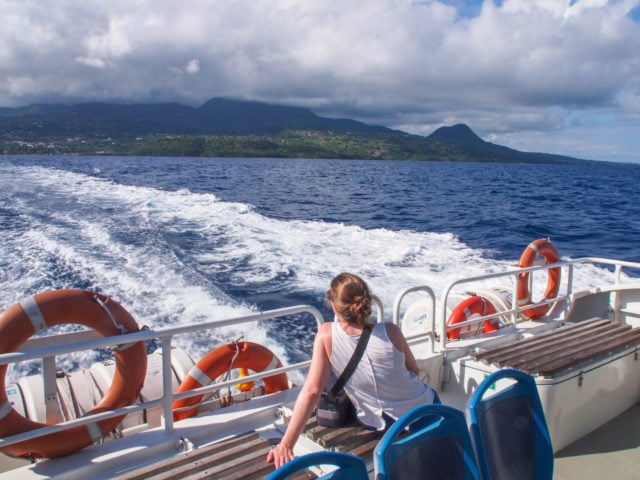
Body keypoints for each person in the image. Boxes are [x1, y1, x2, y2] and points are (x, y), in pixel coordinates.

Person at [267, 272, 439, 470]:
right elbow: (414, 372)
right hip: (428, 409)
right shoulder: (391, 331)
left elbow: (312, 392)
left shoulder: (326, 335)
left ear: (334, 305)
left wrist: (286, 445)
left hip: (387, 422)